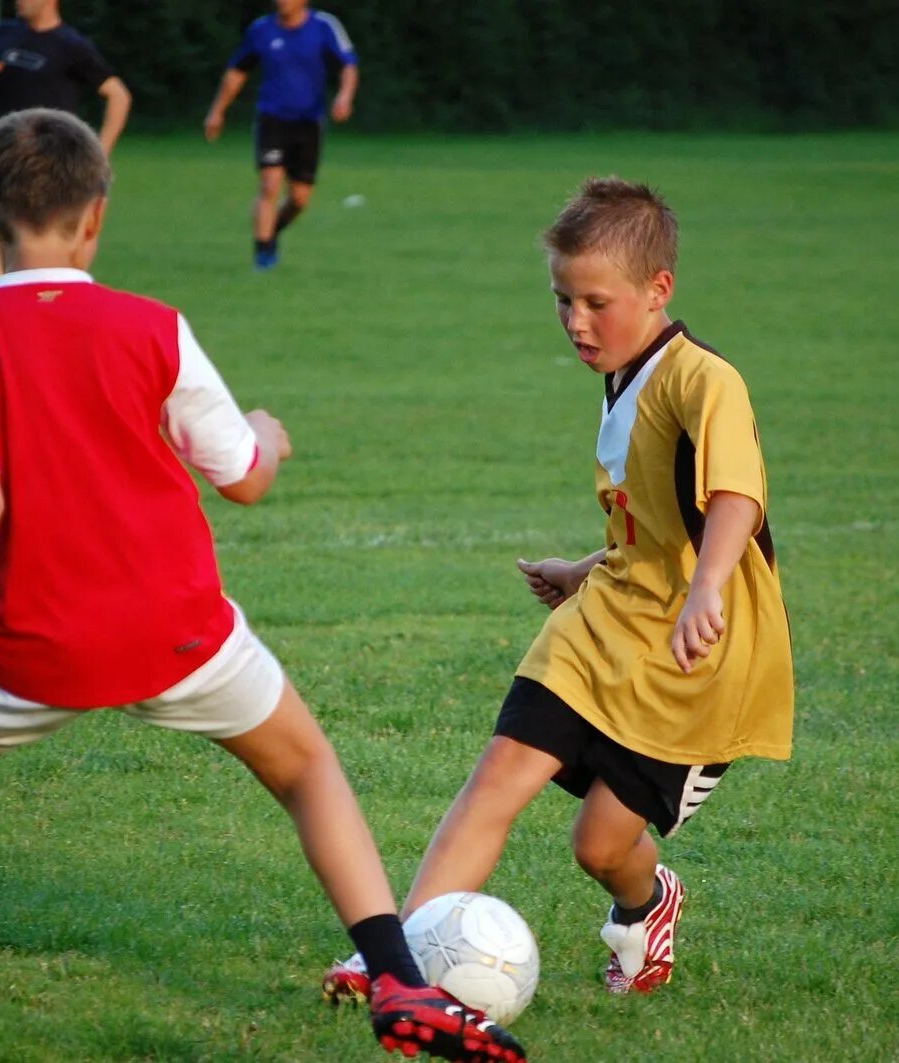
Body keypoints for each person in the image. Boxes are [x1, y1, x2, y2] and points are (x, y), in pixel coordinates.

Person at [0, 109, 524, 1063]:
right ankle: (396, 977)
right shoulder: (153, 327)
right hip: (179, 629)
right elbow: (245, 478)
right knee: (304, 770)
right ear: (96, 219)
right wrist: (268, 429)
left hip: (30, 643)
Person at [324, 178, 794, 1002]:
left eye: (595, 302)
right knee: (497, 777)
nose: (576, 321)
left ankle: (647, 903)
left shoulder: (702, 379)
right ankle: (392, 963)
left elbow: (734, 498)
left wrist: (706, 588)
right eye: (562, 300)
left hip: (698, 657)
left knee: (601, 846)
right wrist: (585, 570)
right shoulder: (622, 370)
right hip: (604, 620)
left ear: (658, 291)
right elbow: (651, 518)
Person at [0, 0, 130, 280]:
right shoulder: (4, 35)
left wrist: (98, 154)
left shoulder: (70, 45)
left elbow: (118, 95)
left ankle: (1, 317)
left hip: (43, 170)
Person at [203, 0, 358, 270]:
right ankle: (263, 256)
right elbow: (238, 71)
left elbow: (348, 65)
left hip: (309, 122)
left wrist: (344, 96)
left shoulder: (324, 26)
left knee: (299, 198)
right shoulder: (261, 30)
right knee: (270, 184)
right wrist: (218, 111)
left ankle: (270, 230)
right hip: (272, 119)